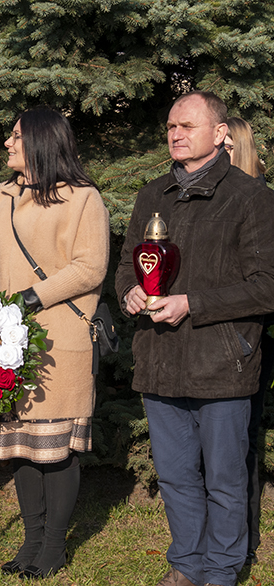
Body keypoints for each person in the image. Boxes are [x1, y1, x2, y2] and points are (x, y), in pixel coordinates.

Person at [115, 91, 274, 586]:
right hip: (159, 358)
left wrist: (192, 303)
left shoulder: (251, 198)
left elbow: (267, 285)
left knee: (225, 481)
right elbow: (126, 267)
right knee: (178, 477)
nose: (176, 134)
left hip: (220, 362)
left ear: (221, 133)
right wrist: (130, 296)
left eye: (187, 125)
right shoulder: (151, 194)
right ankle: (187, 563)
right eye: (170, 126)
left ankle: (222, 570)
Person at [0, 106, 109, 578]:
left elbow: (90, 267)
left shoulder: (83, 199)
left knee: (55, 450)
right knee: (22, 446)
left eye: (17, 136)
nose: (7, 142)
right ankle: (30, 541)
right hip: (2, 344)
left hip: (58, 344)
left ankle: (53, 547)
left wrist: (27, 298)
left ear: (43, 142)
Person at [224, 116, 271, 566]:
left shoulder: (257, 201)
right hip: (217, 343)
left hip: (245, 340)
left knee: (242, 443)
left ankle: (244, 541)